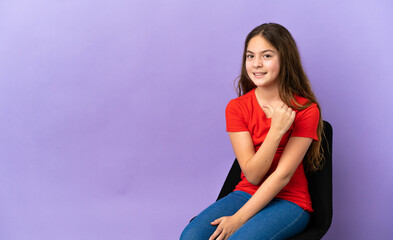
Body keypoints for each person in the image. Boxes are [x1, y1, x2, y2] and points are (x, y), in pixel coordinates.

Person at [180, 23, 324, 240]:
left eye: (267, 56)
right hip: (247, 192)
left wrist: (238, 219)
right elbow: (254, 175)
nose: (256, 64)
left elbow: (282, 176)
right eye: (250, 56)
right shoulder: (237, 108)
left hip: (290, 201)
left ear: (285, 59)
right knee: (191, 236)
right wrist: (276, 131)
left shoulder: (306, 110)